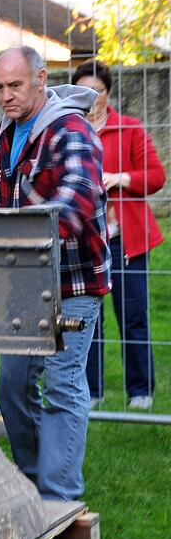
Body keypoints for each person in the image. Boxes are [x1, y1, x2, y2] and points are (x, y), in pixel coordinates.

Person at [0, 46, 110, 501]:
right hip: (23, 280)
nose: (5, 96)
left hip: (74, 280)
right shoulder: (7, 132)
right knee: (13, 388)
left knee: (63, 385)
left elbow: (76, 204)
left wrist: (10, 240)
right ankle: (30, 481)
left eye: (15, 86)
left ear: (41, 79)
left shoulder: (72, 129)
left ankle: (59, 496)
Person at [73, 60, 165, 410]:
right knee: (86, 317)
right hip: (83, 241)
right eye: (83, 90)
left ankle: (140, 390)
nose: (90, 96)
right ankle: (91, 391)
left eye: (96, 90)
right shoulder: (69, 130)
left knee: (134, 316)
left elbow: (156, 177)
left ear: (108, 93)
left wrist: (119, 178)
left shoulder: (130, 128)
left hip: (126, 240)